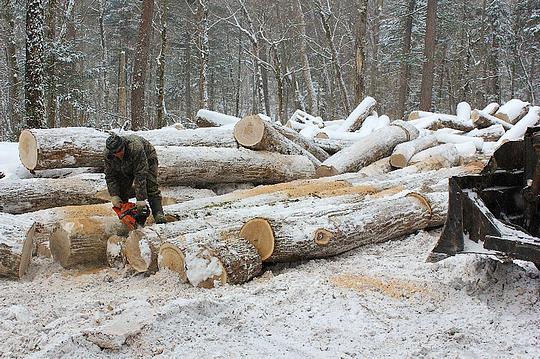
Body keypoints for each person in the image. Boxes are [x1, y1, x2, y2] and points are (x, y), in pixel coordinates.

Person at [104, 133, 166, 224]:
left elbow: (140, 174)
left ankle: (158, 214)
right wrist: (114, 195)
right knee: (122, 187)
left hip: (147, 157)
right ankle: (127, 217)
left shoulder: (135, 147)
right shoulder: (108, 154)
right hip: (124, 164)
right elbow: (110, 175)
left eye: (120, 150)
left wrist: (140, 199)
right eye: (115, 153)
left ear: (123, 145)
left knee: (150, 185)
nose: (118, 154)